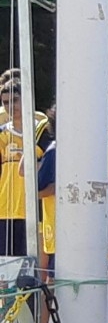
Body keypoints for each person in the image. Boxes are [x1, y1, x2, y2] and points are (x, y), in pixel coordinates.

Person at [0, 84, 48, 256]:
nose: (11, 106)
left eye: (15, 100)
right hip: (6, 208)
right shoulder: (2, 134)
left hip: (35, 207)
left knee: (34, 263)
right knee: (7, 267)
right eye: (6, 102)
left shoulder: (42, 130)